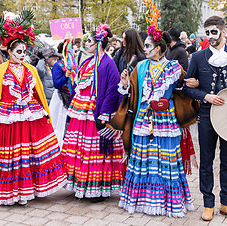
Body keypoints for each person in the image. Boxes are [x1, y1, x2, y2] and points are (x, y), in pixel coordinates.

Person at [115, 16, 194, 216]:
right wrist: (125, 83)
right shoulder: (141, 67)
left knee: (165, 158)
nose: (145, 49)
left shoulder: (174, 68)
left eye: (148, 45)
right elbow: (132, 92)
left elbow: (185, 88)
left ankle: (166, 202)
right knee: (144, 157)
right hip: (143, 117)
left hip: (165, 118)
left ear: (158, 47)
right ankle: (143, 199)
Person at [0, 29, 67, 205]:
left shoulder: (31, 69)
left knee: (30, 152)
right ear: (9, 52)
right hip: (9, 117)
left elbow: (38, 93)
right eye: (18, 51)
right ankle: (10, 191)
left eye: (24, 52)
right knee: (10, 154)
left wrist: (43, 113)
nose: (22, 55)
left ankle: (28, 188)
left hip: (29, 115)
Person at [184, 16, 227, 221]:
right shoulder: (197, 57)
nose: (210, 36)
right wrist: (205, 95)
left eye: (214, 32)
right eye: (207, 32)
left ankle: (226, 203)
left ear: (223, 31)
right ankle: (208, 204)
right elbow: (186, 87)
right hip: (206, 115)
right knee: (206, 161)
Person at [62, 24, 125, 203]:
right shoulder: (87, 62)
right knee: (80, 149)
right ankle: (78, 184)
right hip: (81, 114)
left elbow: (113, 90)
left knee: (94, 150)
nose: (85, 44)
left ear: (98, 43)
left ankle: (96, 187)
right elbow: (77, 86)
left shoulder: (108, 63)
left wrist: (104, 113)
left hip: (95, 114)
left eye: (89, 41)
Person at [49, 43, 75, 147]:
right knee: (60, 124)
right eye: (70, 50)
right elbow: (56, 84)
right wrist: (66, 76)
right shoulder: (58, 65)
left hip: (72, 99)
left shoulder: (74, 65)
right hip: (61, 99)